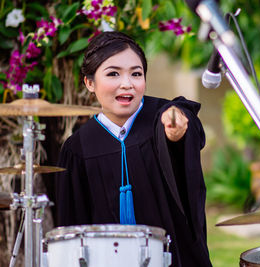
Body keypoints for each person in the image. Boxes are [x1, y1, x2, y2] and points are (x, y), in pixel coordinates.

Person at [55, 31, 213, 267]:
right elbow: (72, 228)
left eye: (136, 74)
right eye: (113, 74)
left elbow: (185, 129)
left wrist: (177, 132)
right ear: (89, 83)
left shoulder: (162, 118)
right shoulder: (78, 149)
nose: (127, 84)